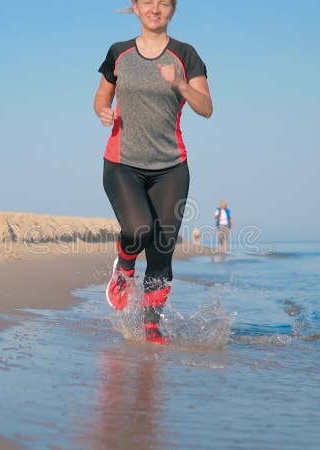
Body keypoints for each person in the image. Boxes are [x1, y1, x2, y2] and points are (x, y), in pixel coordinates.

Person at [94, 0, 213, 344]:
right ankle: (125, 265)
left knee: (162, 248)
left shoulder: (186, 55)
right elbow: (101, 99)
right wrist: (103, 111)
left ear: (173, 10)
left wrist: (181, 84)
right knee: (138, 228)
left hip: (171, 167)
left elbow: (206, 108)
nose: (155, 8)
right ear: (135, 7)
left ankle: (151, 325)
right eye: (148, 1)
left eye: (164, 3)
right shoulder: (119, 53)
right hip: (122, 162)